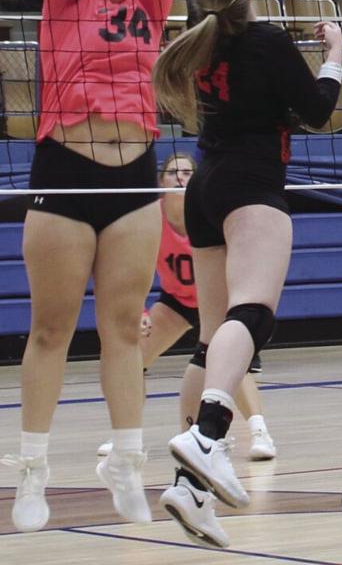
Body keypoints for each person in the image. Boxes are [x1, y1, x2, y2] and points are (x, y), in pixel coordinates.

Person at [1, 0, 182, 533]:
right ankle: (32, 470)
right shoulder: (63, 3)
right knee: (50, 328)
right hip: (65, 171)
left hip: (134, 176)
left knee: (122, 328)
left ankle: (128, 465)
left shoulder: (148, 4)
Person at [152, 0, 342, 548]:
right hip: (252, 184)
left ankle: (191, 488)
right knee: (251, 315)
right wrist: (335, 52)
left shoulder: (198, 35)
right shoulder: (264, 39)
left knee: (212, 341)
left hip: (205, 186)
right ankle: (208, 435)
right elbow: (317, 111)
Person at [95, 152, 277, 463]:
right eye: (173, 173)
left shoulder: (207, 210)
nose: (180, 178)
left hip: (216, 299)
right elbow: (134, 268)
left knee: (228, 359)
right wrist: (139, 312)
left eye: (187, 172)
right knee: (131, 353)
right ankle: (127, 436)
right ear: (160, 182)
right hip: (176, 301)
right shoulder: (153, 216)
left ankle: (260, 434)